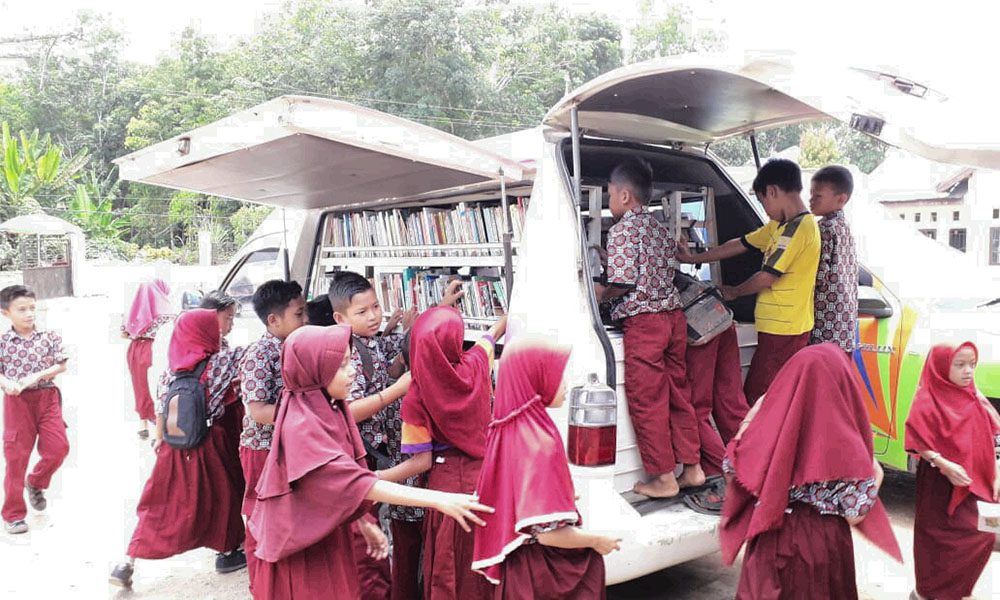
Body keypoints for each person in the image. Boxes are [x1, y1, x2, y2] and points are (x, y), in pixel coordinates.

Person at [246, 324, 494, 600]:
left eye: (350, 361)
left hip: (320, 537)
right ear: (313, 371)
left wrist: (361, 520)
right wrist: (439, 499)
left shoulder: (325, 407)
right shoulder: (302, 424)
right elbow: (353, 481)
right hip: (300, 552)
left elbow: (335, 486)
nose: (352, 371)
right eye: (341, 365)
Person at [720, 344, 901, 599]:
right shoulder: (850, 444)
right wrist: (875, 473)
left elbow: (733, 472)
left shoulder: (772, 430)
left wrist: (752, 418)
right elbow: (855, 515)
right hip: (827, 544)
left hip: (773, 537)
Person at [472, 336, 620, 598]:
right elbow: (548, 535)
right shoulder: (539, 441)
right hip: (541, 576)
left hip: (516, 570)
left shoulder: (504, 429)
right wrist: (597, 541)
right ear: (535, 378)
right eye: (558, 375)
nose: (565, 385)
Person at [110, 309, 248, 588]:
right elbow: (257, 352)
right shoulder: (219, 363)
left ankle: (127, 562)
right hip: (208, 444)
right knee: (222, 497)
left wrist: (159, 440)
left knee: (158, 504)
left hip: (174, 447)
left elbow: (161, 410)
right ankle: (227, 553)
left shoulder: (170, 371)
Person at [593, 157, 703, 499]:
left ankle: (663, 478)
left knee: (648, 399)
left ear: (625, 196)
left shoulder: (622, 230)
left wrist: (600, 293)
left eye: (610, 195)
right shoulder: (658, 227)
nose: (610, 202)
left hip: (645, 323)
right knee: (678, 393)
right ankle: (692, 468)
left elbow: (624, 283)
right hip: (673, 318)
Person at [329, 270, 438, 600]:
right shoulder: (345, 353)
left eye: (376, 306)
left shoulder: (371, 341)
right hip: (363, 453)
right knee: (369, 535)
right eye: (362, 312)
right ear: (340, 318)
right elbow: (348, 411)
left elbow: (384, 368)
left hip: (381, 450)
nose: (373, 316)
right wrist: (396, 390)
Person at [679, 158, 820, 405]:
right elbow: (740, 244)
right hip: (775, 328)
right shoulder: (779, 225)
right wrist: (693, 257)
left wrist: (734, 291)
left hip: (786, 329)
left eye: (763, 201)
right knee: (765, 394)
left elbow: (767, 277)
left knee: (759, 397)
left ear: (772, 191)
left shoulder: (798, 229)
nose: (765, 209)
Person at [400, 306, 506, 600]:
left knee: (451, 571)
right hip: (485, 482)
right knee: (485, 566)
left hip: (446, 492)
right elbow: (491, 335)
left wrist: (377, 479)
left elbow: (421, 461)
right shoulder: (476, 365)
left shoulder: (415, 397)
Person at [905, 342, 1000, 600]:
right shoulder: (928, 398)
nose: (968, 371)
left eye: (972, 364)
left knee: (982, 534)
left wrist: (996, 471)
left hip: (974, 481)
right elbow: (917, 440)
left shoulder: (974, 397)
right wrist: (944, 464)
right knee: (937, 542)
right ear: (941, 367)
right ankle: (927, 593)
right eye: (960, 365)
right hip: (940, 484)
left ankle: (958, 590)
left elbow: (991, 436)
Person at [238, 280, 307, 594]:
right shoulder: (259, 354)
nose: (305, 320)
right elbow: (258, 412)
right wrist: (305, 414)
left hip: (289, 445)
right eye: (299, 314)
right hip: (263, 449)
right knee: (262, 517)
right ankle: (262, 586)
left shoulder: (294, 345)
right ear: (274, 320)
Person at [1, 285, 70, 535]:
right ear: (6, 313)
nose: (29, 313)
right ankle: (13, 515)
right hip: (17, 403)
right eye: (21, 309)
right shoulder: (3, 342)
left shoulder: (48, 336)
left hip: (47, 398)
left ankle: (36, 481)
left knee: (59, 448)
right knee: (16, 458)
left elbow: (61, 364)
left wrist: (35, 376)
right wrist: (6, 382)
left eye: (32, 308)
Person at [807, 165, 858, 355]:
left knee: (819, 363)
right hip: (844, 320)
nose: (811, 200)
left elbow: (819, 274)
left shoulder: (825, 228)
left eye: (818, 196)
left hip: (824, 316)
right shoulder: (844, 226)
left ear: (841, 199)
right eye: (811, 194)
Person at [121, 279, 175, 439]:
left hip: (136, 349)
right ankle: (160, 427)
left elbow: (123, 334)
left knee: (140, 387)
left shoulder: (133, 312)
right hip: (157, 349)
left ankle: (143, 424)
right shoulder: (168, 313)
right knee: (159, 386)